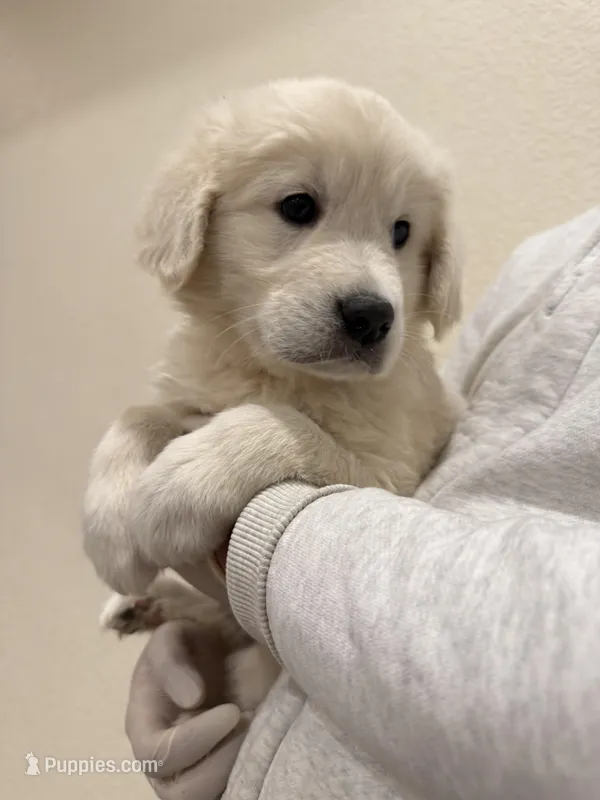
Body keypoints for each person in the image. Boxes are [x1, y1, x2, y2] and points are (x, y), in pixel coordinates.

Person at [125, 208, 600, 800]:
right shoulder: (546, 257)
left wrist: (260, 539)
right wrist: (240, 637)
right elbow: (431, 504)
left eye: (400, 234)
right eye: (299, 208)